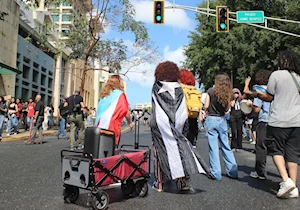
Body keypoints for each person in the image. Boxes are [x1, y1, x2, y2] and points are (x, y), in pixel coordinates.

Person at [247, 49, 300, 198]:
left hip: (279, 121)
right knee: (293, 154)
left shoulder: (276, 75)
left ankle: (286, 180)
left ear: (282, 61)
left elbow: (270, 97)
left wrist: (258, 95)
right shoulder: (298, 77)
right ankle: (294, 186)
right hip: (297, 122)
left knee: (276, 150)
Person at [151, 61, 209, 192]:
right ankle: (182, 182)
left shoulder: (156, 87)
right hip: (179, 124)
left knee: (159, 151)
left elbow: (156, 108)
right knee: (180, 150)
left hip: (160, 125)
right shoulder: (179, 88)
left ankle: (160, 183)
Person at [204, 73, 238, 180]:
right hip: (222, 120)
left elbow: (206, 106)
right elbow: (228, 108)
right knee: (225, 146)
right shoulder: (228, 93)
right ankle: (233, 172)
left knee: (213, 148)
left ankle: (216, 173)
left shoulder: (210, 91)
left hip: (211, 119)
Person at [243, 69, 272, 180]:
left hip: (263, 120)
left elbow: (256, 108)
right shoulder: (273, 89)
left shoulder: (259, 89)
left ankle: (260, 172)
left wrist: (250, 105)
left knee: (261, 147)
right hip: (276, 120)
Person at [95, 75, 134, 147]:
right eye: (121, 81)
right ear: (118, 83)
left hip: (99, 125)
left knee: (100, 149)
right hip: (112, 126)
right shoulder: (120, 95)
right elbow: (126, 112)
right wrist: (130, 123)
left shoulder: (104, 95)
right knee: (111, 150)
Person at [179, 69, 202, 148]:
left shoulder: (180, 89)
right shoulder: (194, 90)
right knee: (191, 146)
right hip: (193, 118)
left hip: (183, 120)